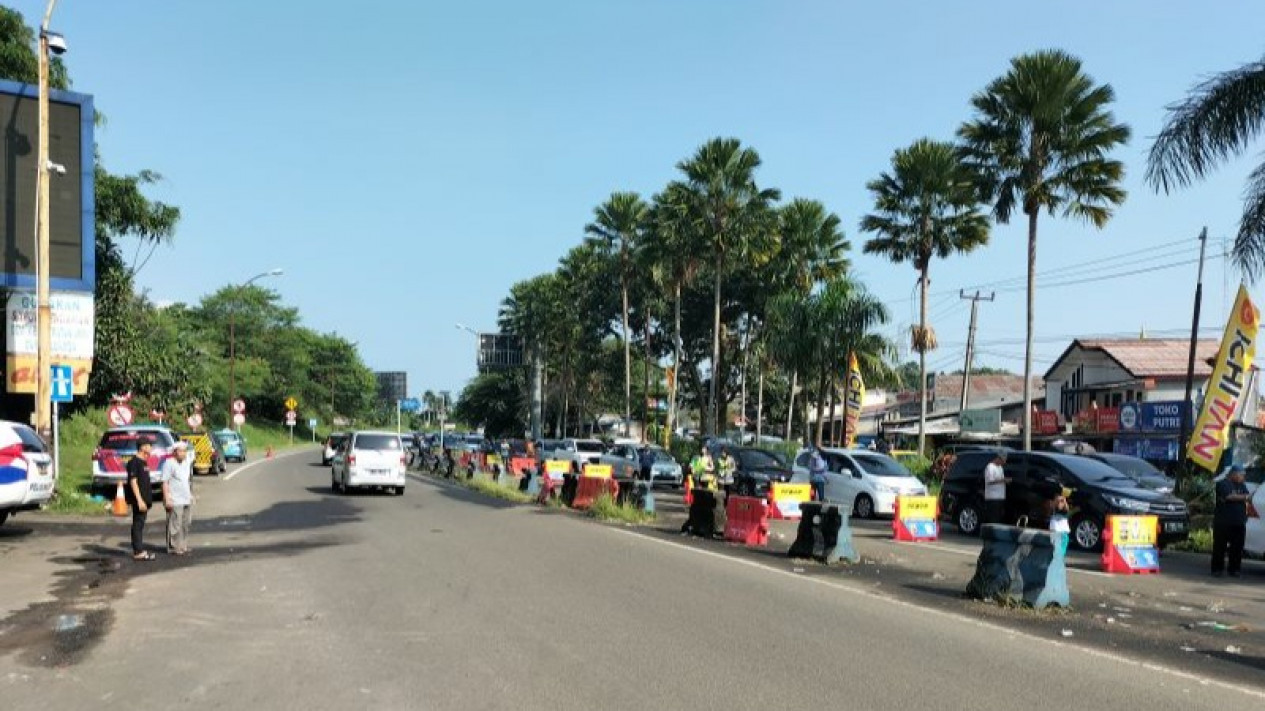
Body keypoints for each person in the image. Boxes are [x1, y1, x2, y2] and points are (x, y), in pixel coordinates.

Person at [1212, 463, 1251, 578]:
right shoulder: (1222, 484)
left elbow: (1247, 495)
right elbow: (1229, 497)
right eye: (1241, 475)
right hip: (1223, 522)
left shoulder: (1241, 485)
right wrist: (1244, 497)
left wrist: (1245, 498)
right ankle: (1217, 569)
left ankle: (1234, 569)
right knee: (1220, 547)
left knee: (1237, 547)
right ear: (1233, 474)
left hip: (1238, 522)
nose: (1243, 477)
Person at [162, 441, 195, 556]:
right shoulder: (169, 463)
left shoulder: (186, 462)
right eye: (180, 451)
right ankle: (174, 546)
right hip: (174, 499)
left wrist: (191, 495)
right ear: (175, 452)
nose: (183, 453)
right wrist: (167, 498)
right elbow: (165, 482)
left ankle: (183, 544)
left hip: (186, 498)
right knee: (175, 523)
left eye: (184, 451)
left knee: (186, 523)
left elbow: (187, 480)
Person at [126, 439, 156, 561]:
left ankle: (139, 549)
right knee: (138, 524)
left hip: (145, 499)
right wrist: (139, 500)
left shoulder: (144, 462)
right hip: (139, 500)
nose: (151, 448)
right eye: (149, 446)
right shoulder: (134, 462)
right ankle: (138, 551)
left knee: (141, 523)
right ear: (142, 447)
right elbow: (133, 482)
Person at [983, 450, 1010, 526]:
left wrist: (1005, 481)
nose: (1004, 462)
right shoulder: (990, 467)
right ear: (999, 458)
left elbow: (1000, 480)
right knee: (993, 519)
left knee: (998, 518)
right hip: (992, 498)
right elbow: (989, 481)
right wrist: (1003, 480)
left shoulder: (1000, 467)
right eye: (1003, 460)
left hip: (1000, 497)